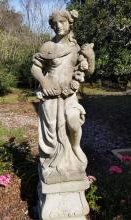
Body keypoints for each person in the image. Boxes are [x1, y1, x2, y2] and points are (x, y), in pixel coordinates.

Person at [31, 10, 94, 184]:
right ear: (52, 26)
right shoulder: (47, 47)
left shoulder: (75, 48)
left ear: (69, 23)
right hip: (51, 96)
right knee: (52, 137)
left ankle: (75, 149)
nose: (59, 26)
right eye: (55, 23)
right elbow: (35, 68)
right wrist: (45, 83)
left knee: (73, 121)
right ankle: (52, 164)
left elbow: (87, 71)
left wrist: (90, 57)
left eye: (62, 22)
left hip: (69, 95)